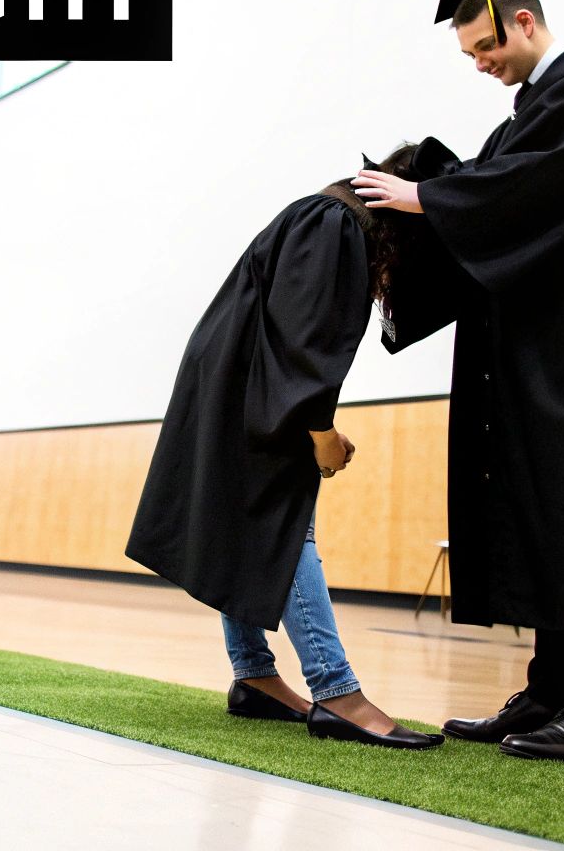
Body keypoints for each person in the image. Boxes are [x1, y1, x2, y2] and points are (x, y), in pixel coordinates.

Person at [351, 0, 564, 763]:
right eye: (472, 57)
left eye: (485, 49)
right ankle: (548, 693)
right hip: (541, 354)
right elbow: (499, 186)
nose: (482, 66)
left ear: (523, 21)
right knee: (548, 520)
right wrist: (424, 183)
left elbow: (540, 185)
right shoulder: (527, 111)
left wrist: (430, 196)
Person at [127, 150, 443, 751]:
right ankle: (337, 692)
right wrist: (320, 431)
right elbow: (302, 343)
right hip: (251, 387)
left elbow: (295, 335)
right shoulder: (335, 223)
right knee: (282, 524)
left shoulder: (326, 219)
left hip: (236, 381)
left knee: (246, 523)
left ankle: (254, 678)